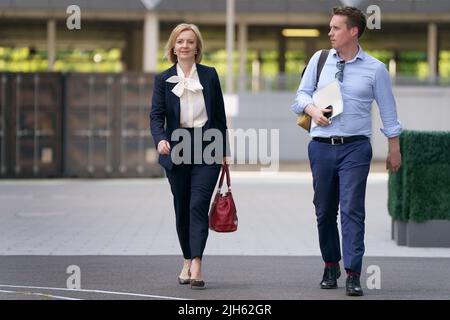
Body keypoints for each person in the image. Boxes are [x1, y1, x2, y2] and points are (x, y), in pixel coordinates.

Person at [291, 6, 402, 296]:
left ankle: (353, 272)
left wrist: (394, 149)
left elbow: (389, 112)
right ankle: (331, 264)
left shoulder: (376, 69)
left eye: (336, 28)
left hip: (355, 147)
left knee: (352, 209)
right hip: (321, 147)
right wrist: (313, 110)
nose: (330, 32)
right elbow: (299, 97)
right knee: (324, 210)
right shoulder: (319, 60)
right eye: (330, 27)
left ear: (353, 31)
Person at [150, 23, 228, 289]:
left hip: (207, 145)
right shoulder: (163, 79)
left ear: (197, 48)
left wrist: (224, 150)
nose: (184, 46)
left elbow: (219, 116)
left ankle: (196, 263)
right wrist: (160, 139)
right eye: (180, 41)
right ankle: (186, 258)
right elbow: (156, 116)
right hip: (176, 147)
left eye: (190, 42)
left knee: (197, 204)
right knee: (182, 207)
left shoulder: (209, 75)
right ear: (174, 46)